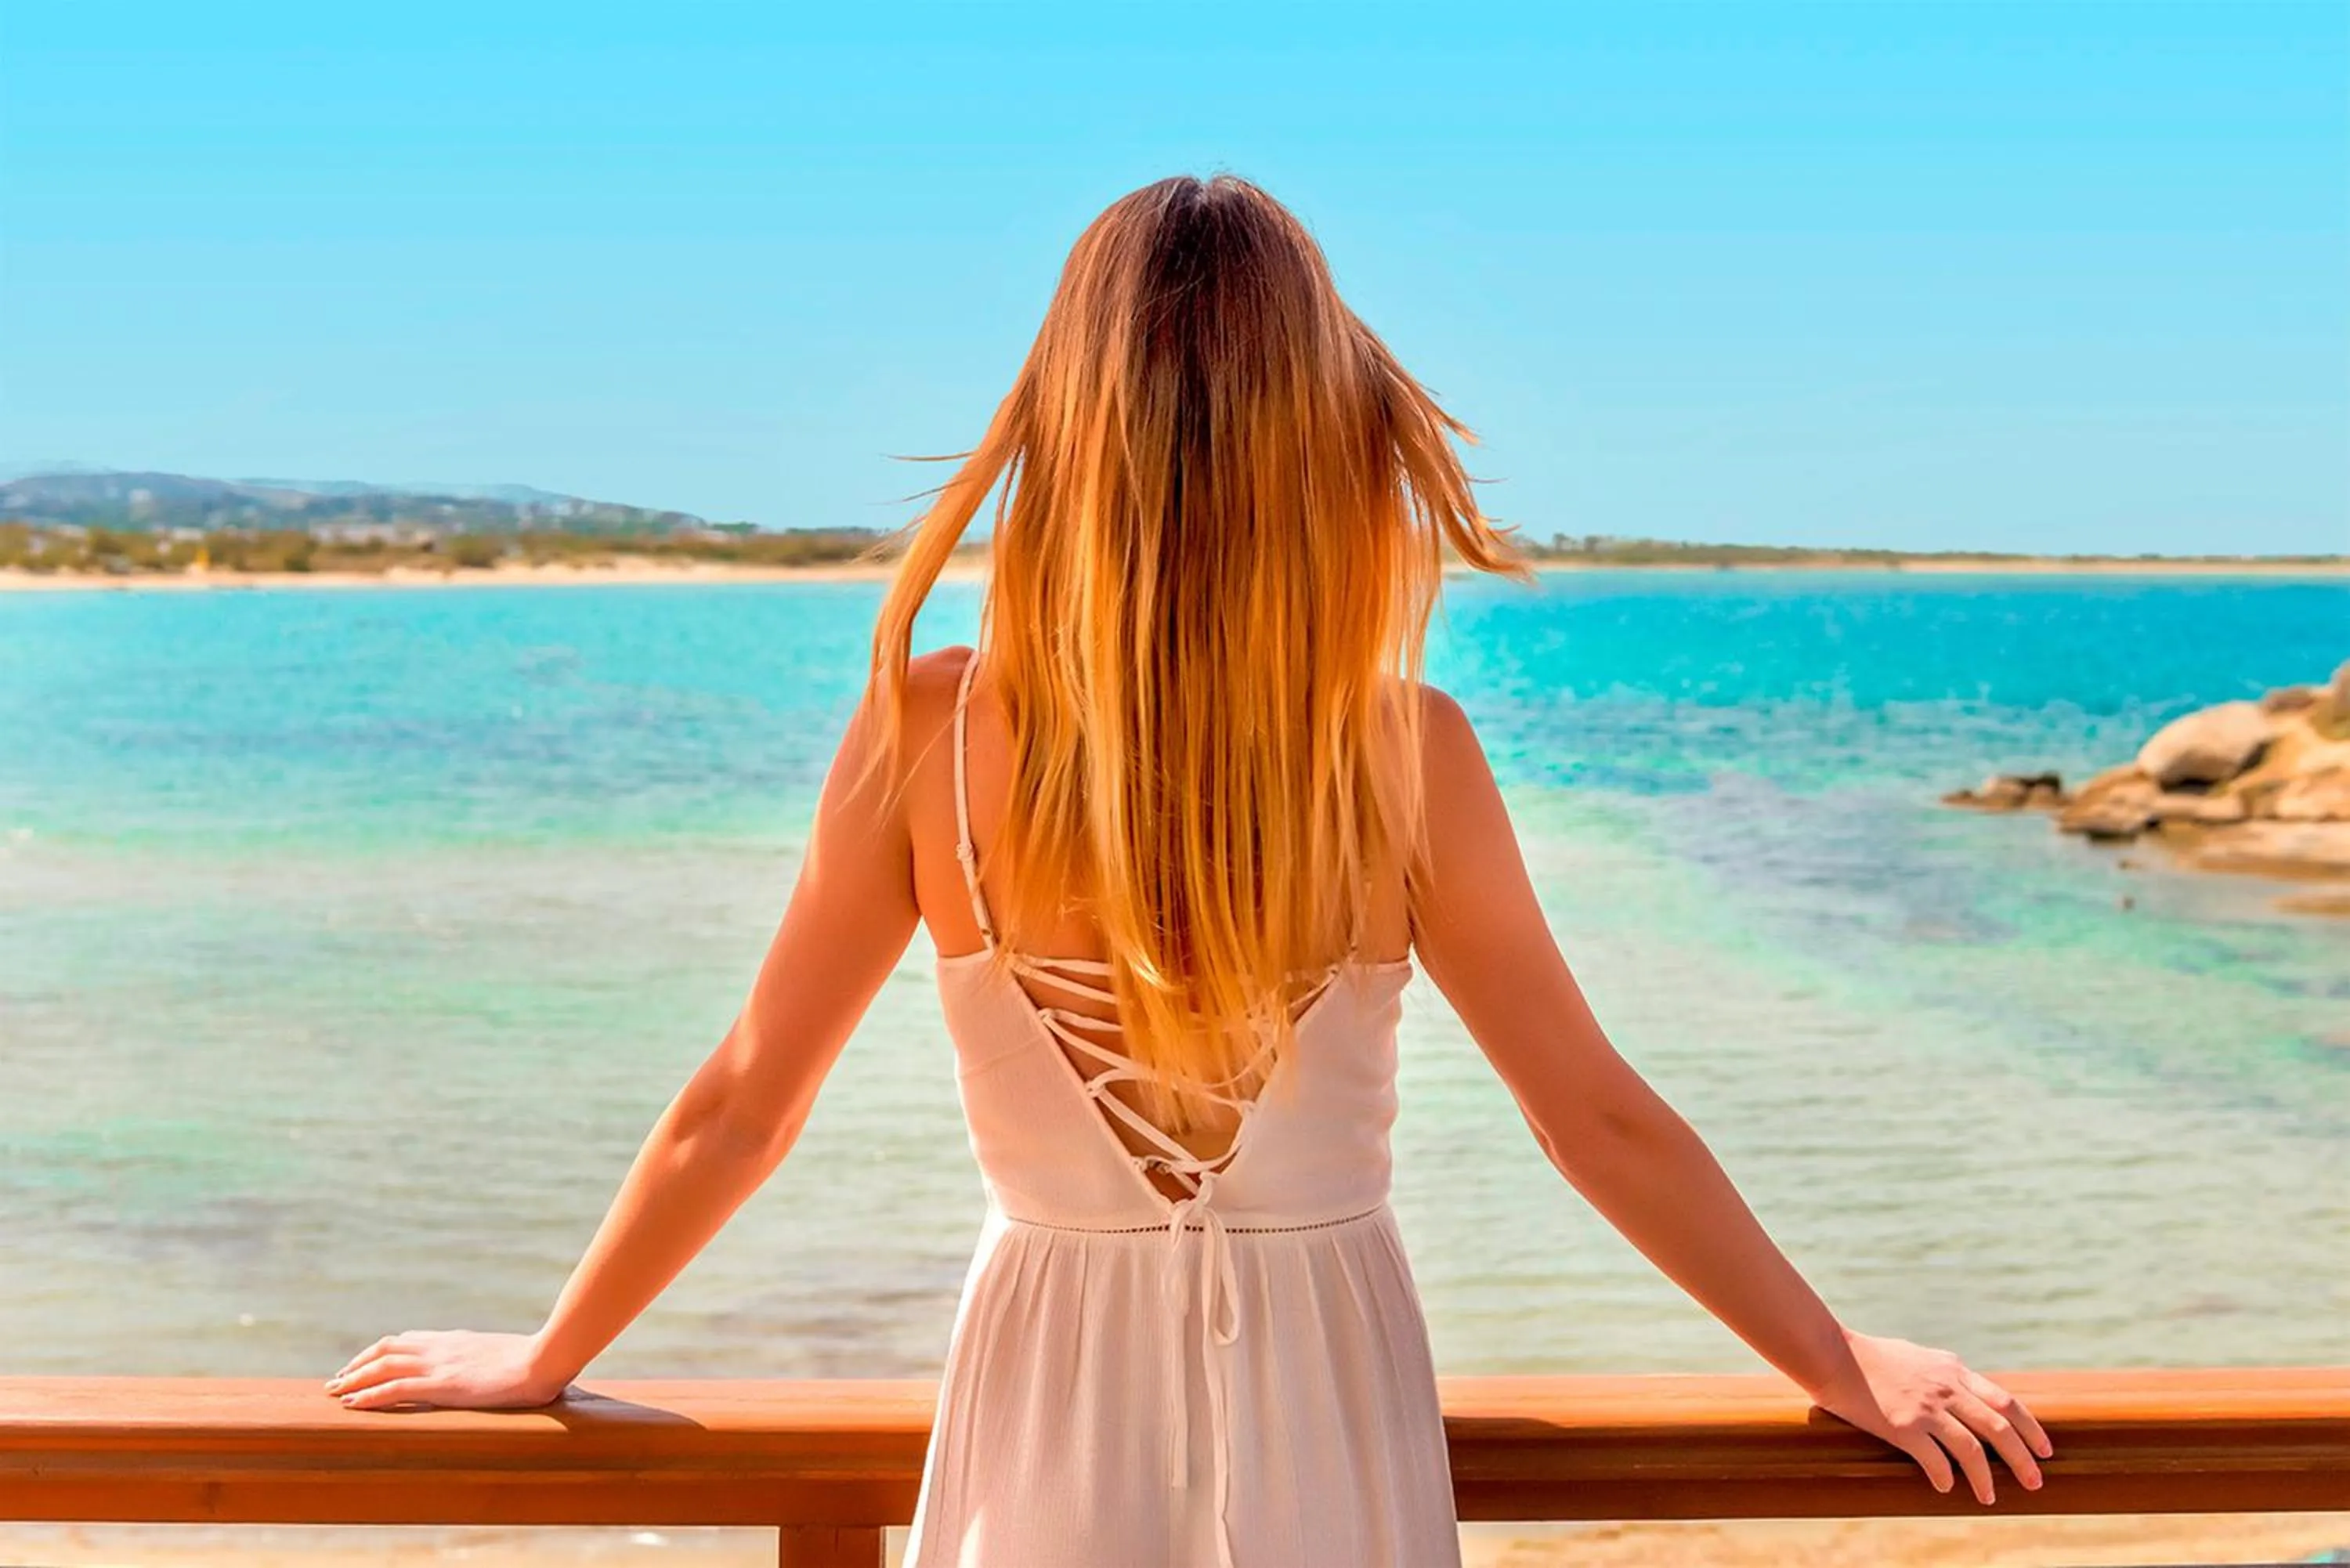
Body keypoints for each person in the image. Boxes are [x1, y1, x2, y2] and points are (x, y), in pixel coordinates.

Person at [324, 174, 2053, 1567]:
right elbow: (1592, 1117)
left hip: (1043, 1406)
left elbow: (746, 1102)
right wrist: (1836, 1358)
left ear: (1062, 431)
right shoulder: (1404, 753)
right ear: (1326, 435)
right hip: (1334, 1406)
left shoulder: (928, 732)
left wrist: (552, 1352)